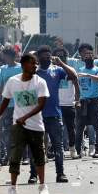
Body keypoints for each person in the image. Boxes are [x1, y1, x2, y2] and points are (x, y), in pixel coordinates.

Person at [0, 53, 49, 194]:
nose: (35, 65)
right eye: (31, 63)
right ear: (23, 65)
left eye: (36, 63)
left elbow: (41, 104)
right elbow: (5, 102)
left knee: (39, 156)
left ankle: (42, 186)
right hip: (18, 126)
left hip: (36, 126)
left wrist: (26, 117)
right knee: (15, 156)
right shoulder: (12, 81)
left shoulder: (40, 82)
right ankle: (12, 188)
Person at [27, 45, 78, 184]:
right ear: (38, 58)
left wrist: (61, 62)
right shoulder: (34, 73)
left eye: (48, 56)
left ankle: (60, 173)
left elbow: (73, 75)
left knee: (58, 146)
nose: (46, 59)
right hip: (37, 116)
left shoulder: (58, 70)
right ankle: (33, 175)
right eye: (43, 56)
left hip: (54, 114)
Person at [75, 43, 98, 159]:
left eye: (90, 55)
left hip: (93, 101)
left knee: (97, 126)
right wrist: (76, 100)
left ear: (94, 58)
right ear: (83, 58)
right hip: (82, 101)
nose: (88, 57)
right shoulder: (80, 70)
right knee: (79, 127)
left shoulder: (97, 69)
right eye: (86, 55)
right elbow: (77, 86)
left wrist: (87, 75)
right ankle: (78, 151)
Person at [53, 47, 81, 159]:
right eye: (57, 56)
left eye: (62, 56)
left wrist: (77, 100)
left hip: (69, 104)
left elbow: (76, 85)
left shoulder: (70, 69)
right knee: (57, 130)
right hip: (56, 105)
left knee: (71, 129)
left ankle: (72, 150)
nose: (60, 58)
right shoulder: (52, 70)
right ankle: (58, 152)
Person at [0, 47, 23, 164]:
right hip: (7, 105)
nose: (3, 58)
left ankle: (24, 156)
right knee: (7, 131)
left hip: (20, 105)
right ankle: (9, 156)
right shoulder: (3, 69)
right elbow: (2, 86)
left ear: (10, 56)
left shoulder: (20, 68)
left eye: (5, 55)